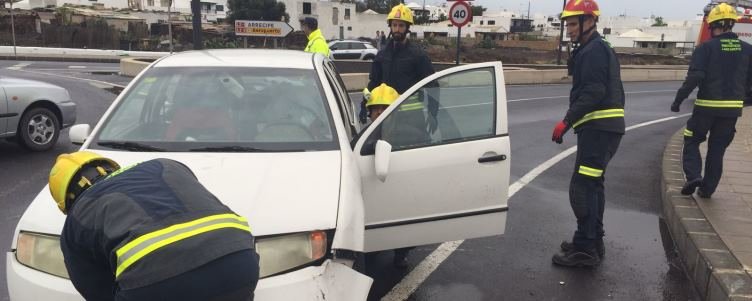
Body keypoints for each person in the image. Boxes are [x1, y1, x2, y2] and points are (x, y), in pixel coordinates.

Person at [49, 151, 259, 301]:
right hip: (240, 262)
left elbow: (97, 291)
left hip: (157, 287)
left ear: (67, 201)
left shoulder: (76, 219)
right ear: (112, 167)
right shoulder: (167, 164)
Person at [361, 3, 436, 268]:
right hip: (383, 123)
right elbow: (372, 84)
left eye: (401, 25)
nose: (397, 29)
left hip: (411, 126)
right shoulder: (382, 55)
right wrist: (365, 104)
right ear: (390, 27)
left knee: (405, 186)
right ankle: (375, 238)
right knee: (377, 180)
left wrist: (434, 116)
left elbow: (432, 87)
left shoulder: (418, 56)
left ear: (408, 28)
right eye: (394, 25)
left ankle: (402, 249)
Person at [550, 0, 625, 268]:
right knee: (594, 186)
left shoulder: (593, 51)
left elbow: (593, 91)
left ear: (589, 21)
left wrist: (566, 121)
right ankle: (592, 240)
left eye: (572, 24)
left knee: (581, 186)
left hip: (599, 128)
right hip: (604, 128)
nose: (568, 30)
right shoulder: (596, 47)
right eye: (567, 24)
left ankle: (584, 249)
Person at [672, 3, 752, 198]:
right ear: (732, 24)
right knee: (717, 150)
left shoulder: (705, 48)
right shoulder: (748, 50)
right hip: (731, 112)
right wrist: (744, 101)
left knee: (691, 140)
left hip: (705, 108)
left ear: (711, 25)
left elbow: (694, 77)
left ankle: (693, 176)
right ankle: (707, 190)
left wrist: (678, 100)